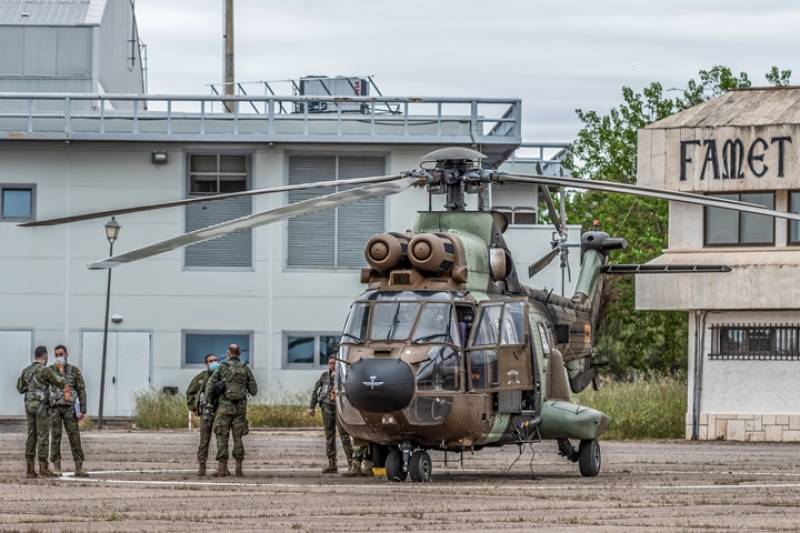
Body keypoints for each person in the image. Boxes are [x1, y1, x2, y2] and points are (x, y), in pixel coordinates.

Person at [205, 344, 257, 477]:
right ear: (239, 354)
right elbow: (254, 391)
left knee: (222, 437)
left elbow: (210, 385)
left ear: (228, 354)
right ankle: (239, 468)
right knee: (238, 438)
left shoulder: (223, 368)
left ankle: (222, 468)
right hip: (240, 410)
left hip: (224, 408)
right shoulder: (245, 369)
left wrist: (209, 402)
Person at [16, 346, 66, 478]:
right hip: (41, 406)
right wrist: (61, 371)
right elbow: (61, 383)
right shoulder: (45, 370)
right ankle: (43, 467)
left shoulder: (26, 370)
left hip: (29, 405)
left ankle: (30, 468)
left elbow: (20, 388)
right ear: (45, 357)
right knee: (43, 436)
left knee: (31, 435)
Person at [308, 356, 353, 474]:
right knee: (329, 436)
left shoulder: (344, 375)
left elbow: (350, 389)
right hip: (326, 407)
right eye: (330, 363)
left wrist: (337, 379)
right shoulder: (324, 376)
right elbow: (316, 390)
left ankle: (351, 463)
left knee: (344, 435)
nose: (332, 365)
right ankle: (332, 463)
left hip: (340, 408)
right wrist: (311, 407)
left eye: (334, 363)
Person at [48, 344, 89, 477]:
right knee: (55, 437)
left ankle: (79, 467)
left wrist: (83, 409)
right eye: (57, 355)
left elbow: (81, 389)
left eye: (61, 354)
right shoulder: (50, 371)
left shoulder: (74, 371)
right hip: (55, 409)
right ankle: (56, 466)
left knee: (74, 437)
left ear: (66, 354)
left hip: (70, 409)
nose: (59, 357)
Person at [186, 353, 219, 476]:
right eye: (211, 361)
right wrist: (193, 408)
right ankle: (202, 465)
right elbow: (190, 392)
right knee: (204, 440)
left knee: (222, 440)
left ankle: (222, 467)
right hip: (205, 413)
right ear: (206, 363)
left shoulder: (222, 376)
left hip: (220, 413)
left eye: (216, 360)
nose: (214, 362)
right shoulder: (200, 377)